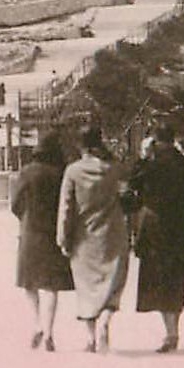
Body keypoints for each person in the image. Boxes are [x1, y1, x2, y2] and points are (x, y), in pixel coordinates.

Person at [57, 126, 129, 351]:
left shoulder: (73, 171)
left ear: (79, 145)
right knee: (112, 283)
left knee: (86, 286)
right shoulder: (112, 169)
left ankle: (90, 338)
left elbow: (66, 207)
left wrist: (62, 237)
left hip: (84, 236)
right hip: (113, 233)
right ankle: (105, 321)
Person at [128, 122, 184, 351]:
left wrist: (144, 156)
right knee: (176, 277)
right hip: (182, 228)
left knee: (158, 278)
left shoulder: (151, 165)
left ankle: (170, 333)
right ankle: (173, 330)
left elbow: (133, 183)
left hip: (155, 228)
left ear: (154, 141)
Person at [10, 133, 74, 351]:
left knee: (29, 283)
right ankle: (48, 330)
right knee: (51, 286)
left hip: (30, 232)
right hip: (53, 233)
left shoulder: (27, 172)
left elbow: (15, 204)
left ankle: (37, 323)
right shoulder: (61, 173)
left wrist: (25, 217)